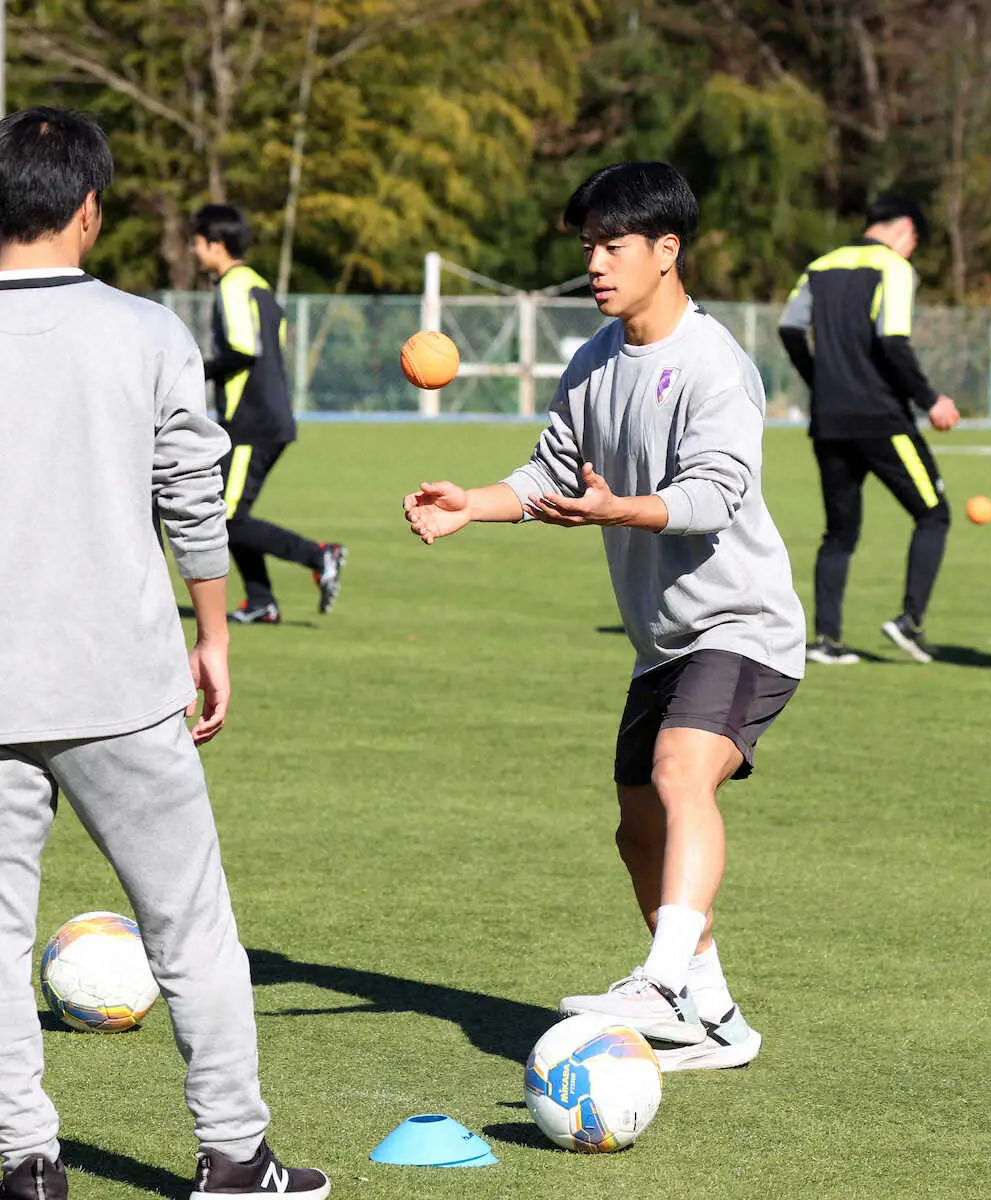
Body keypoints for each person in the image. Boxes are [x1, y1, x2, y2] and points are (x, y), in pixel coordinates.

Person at [404, 162, 805, 1071]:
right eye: (586, 244)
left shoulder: (713, 365)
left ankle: (661, 983)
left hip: (741, 624)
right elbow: (550, 475)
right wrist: (471, 501)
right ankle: (715, 1017)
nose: (593, 262)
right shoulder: (592, 362)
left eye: (611, 244)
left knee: (679, 773)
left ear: (666, 252)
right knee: (636, 828)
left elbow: (714, 495)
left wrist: (617, 508)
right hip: (660, 640)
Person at [0, 107, 329, 1199]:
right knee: (190, 927)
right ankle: (235, 1160)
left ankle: (25, 1165)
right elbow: (195, 501)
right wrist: (216, 632)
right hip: (119, 683)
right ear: (90, 209)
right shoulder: (146, 331)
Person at [778, 195, 960, 666]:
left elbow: (790, 330)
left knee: (838, 533)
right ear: (905, 230)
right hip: (881, 417)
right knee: (934, 514)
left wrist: (821, 381)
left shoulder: (820, 265)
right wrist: (931, 400)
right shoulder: (893, 267)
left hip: (830, 420)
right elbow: (893, 341)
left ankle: (826, 641)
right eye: (915, 241)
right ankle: (910, 623)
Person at [189, 204, 346, 624]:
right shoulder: (259, 284)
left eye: (197, 242)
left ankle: (320, 556)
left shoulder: (232, 286)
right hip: (268, 415)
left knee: (224, 516)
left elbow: (243, 349)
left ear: (216, 245)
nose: (193, 250)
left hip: (250, 419)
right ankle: (261, 601)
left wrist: (193, 370)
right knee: (229, 512)